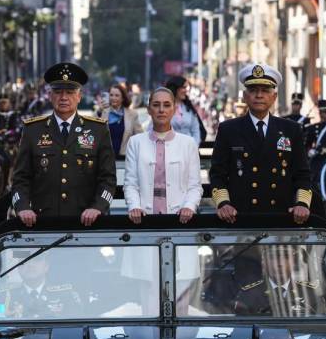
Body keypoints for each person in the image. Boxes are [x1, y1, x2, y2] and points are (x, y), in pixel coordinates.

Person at [11, 62, 117, 226]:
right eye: (58, 92)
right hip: (43, 224)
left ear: (79, 96)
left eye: (70, 92)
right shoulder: (33, 130)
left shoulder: (98, 130)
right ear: (50, 96)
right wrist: (23, 207)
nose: (64, 97)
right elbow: (20, 179)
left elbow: (108, 179)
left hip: (87, 224)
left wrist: (98, 207)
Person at [210, 64, 313, 223]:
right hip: (239, 217)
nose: (259, 95)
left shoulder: (291, 130)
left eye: (265, 90)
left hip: (282, 218)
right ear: (245, 96)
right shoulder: (228, 129)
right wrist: (223, 204)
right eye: (253, 90)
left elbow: (302, 174)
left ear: (274, 96)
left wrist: (302, 204)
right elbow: (217, 174)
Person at [124, 87, 201, 224]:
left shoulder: (188, 143)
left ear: (174, 109)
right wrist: (134, 206)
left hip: (180, 219)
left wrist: (189, 206)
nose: (161, 110)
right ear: (148, 110)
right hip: (143, 219)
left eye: (166, 105)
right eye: (156, 105)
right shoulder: (135, 142)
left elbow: (194, 185)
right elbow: (130, 183)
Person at [97, 84, 143, 156]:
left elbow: (140, 137)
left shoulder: (132, 114)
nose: (113, 98)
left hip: (125, 158)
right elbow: (92, 131)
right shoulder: (102, 112)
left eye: (117, 95)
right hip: (105, 158)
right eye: (111, 95)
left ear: (123, 98)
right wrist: (99, 111)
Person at [165, 76, 204, 144]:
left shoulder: (189, 108)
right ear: (175, 88)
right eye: (183, 87)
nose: (186, 90)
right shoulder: (163, 108)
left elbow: (196, 131)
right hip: (169, 149)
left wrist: (193, 147)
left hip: (189, 149)